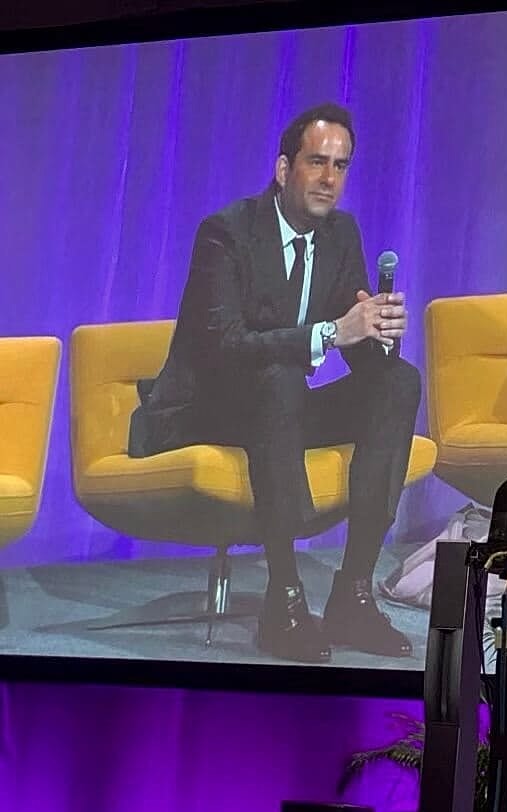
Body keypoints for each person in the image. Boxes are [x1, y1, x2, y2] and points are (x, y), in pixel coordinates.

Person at [129, 103, 421, 662]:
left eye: (340, 166)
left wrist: (379, 333)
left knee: (398, 384)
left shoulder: (341, 234)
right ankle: (283, 598)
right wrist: (334, 331)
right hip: (209, 410)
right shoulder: (226, 233)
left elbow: (357, 353)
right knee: (282, 379)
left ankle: (352, 595)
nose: (329, 178)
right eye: (317, 162)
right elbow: (225, 347)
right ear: (284, 169)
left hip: (278, 408)